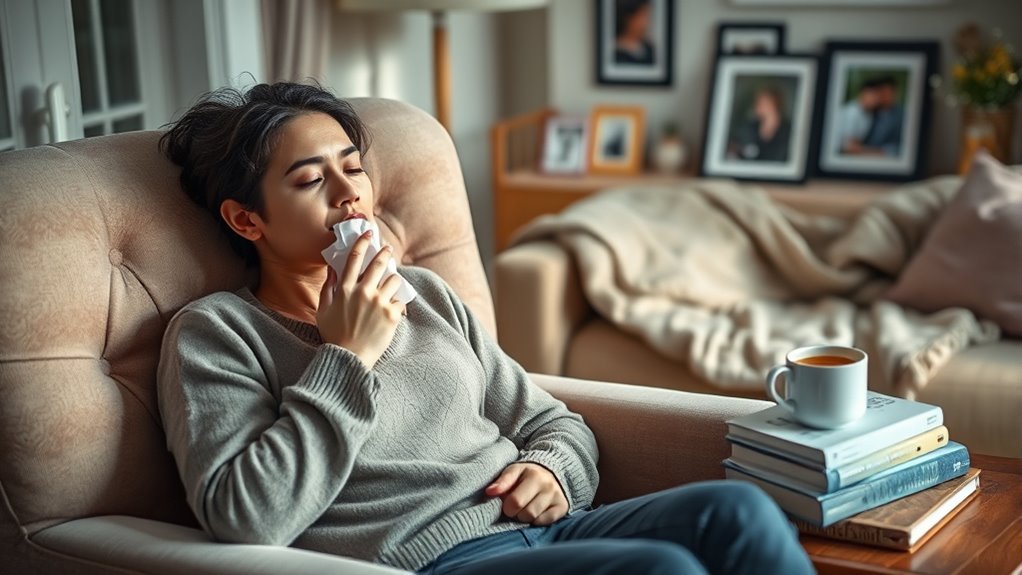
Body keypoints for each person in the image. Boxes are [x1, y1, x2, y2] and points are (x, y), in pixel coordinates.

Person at [156, 81, 816, 575]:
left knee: (742, 512)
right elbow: (246, 515)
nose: (348, 192)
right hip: (431, 560)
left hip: (549, 531)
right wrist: (347, 355)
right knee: (661, 569)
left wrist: (553, 471)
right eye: (310, 179)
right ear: (247, 220)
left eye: (353, 167)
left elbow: (552, 422)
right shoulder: (217, 332)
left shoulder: (423, 294)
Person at [840, 75, 903, 157]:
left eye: (878, 95)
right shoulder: (853, 112)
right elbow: (848, 146)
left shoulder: (899, 116)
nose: (876, 99)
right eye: (873, 94)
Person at [727, 85, 791, 163]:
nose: (756, 106)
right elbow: (735, 148)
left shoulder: (788, 131)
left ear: (773, 104)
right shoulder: (749, 128)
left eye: (760, 102)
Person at [613, 0, 655, 65]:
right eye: (642, 16)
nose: (646, 22)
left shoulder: (649, 48)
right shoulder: (615, 51)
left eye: (647, 16)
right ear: (628, 18)